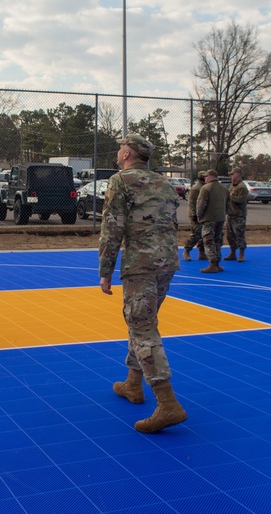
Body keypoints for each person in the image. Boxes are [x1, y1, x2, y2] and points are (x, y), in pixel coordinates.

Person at [99, 133, 187, 434]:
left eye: (120, 148)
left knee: (142, 327)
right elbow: (173, 223)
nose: (118, 152)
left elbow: (112, 228)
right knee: (143, 321)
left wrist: (105, 269)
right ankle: (133, 384)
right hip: (167, 262)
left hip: (140, 264)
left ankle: (168, 403)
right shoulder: (164, 183)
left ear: (127, 154)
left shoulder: (120, 181)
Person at [196, 169, 228, 274]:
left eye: (206, 176)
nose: (205, 178)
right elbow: (228, 204)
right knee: (218, 241)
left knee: (208, 241)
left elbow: (201, 204)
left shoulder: (206, 188)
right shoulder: (224, 189)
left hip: (209, 218)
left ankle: (212, 264)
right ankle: (217, 263)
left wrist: (199, 216)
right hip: (220, 218)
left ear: (211, 177)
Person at [223, 169, 249, 262]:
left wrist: (230, 197)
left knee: (239, 235)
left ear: (237, 174)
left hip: (238, 215)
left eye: (232, 174)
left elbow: (242, 200)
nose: (231, 176)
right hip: (231, 214)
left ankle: (241, 253)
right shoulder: (232, 185)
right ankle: (232, 252)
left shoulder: (241, 187)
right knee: (230, 235)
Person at [182, 171, 207, 261]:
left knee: (203, 234)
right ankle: (187, 250)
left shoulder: (205, 187)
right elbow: (192, 202)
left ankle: (201, 252)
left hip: (204, 214)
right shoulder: (196, 188)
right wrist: (194, 214)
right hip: (196, 215)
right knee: (196, 234)